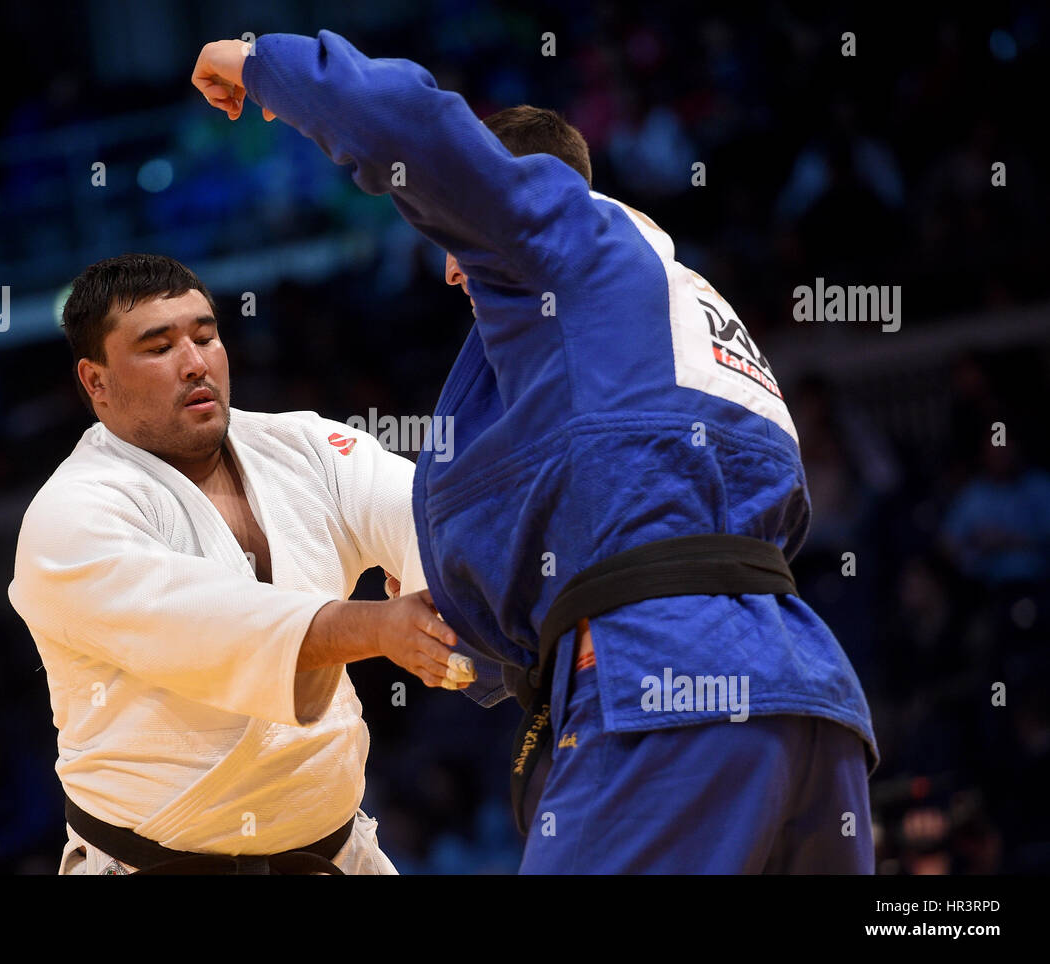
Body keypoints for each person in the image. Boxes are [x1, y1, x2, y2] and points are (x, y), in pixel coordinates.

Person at [192, 32, 880, 873]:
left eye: (455, 241)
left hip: (661, 683)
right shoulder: (680, 319)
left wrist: (265, 65)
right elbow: (605, 507)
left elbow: (414, 126)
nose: (450, 273)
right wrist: (437, 639)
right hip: (808, 693)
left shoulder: (560, 243)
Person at [7, 253, 470, 875]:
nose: (196, 363)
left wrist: (449, 598)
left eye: (205, 335)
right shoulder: (71, 516)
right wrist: (382, 626)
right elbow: (217, 626)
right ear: (95, 381)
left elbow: (430, 521)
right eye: (157, 347)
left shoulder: (304, 448)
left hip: (336, 853)